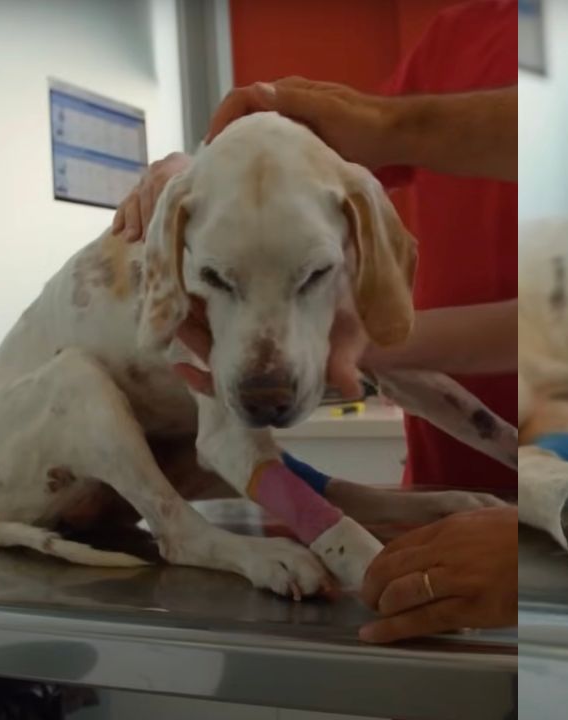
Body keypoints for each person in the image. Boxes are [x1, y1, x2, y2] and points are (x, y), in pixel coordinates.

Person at [111, 0, 518, 643]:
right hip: (451, 500)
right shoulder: (456, 33)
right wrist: (190, 173)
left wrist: (372, 341)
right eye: (218, 280)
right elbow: (289, 189)